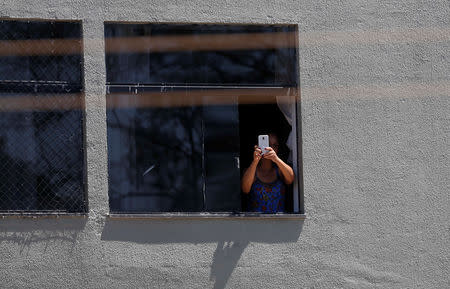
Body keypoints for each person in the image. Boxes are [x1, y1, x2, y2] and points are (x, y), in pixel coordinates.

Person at [241, 133, 294, 213]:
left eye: (275, 145)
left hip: (280, 222)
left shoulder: (279, 171)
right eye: (267, 144)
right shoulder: (251, 171)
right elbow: (245, 189)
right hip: (255, 223)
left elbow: (290, 179)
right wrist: (255, 161)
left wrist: (276, 159)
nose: (270, 148)